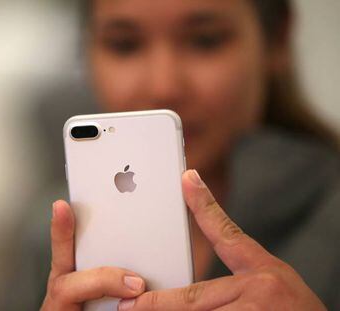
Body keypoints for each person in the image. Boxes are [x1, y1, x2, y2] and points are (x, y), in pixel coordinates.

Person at [39, 0, 340, 310]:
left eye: (204, 40)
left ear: (276, 39)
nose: (164, 87)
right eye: (124, 45)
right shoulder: (51, 239)